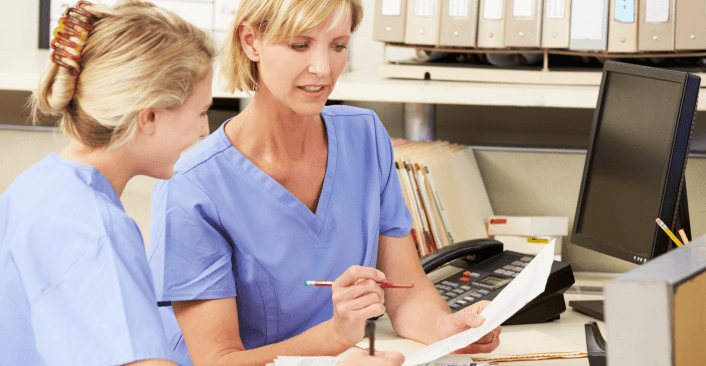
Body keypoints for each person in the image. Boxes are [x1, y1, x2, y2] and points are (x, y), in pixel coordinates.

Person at [147, 0, 502, 365]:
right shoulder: (192, 187)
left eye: (338, 46)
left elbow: (406, 294)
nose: (323, 69)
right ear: (251, 41)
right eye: (300, 45)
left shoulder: (365, 136)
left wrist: (446, 328)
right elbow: (218, 360)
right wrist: (334, 338)